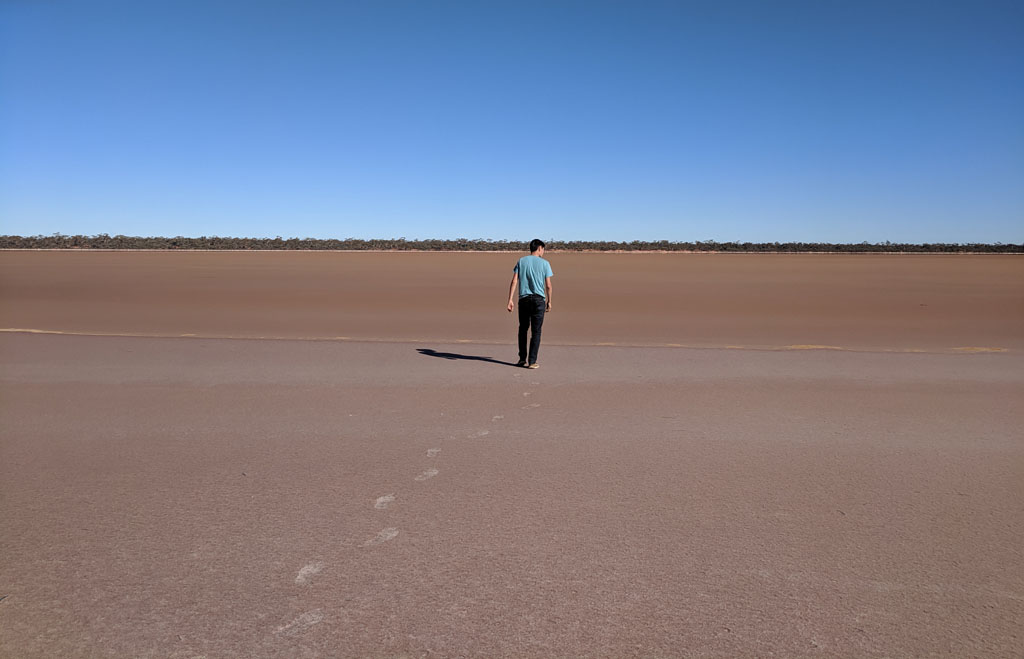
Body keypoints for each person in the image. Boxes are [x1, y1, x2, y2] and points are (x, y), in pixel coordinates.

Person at [506, 238, 553, 368]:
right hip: (539, 300)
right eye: (543, 249)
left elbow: (514, 281)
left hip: (524, 299)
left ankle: (522, 358)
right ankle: (532, 361)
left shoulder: (521, 261)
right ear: (539, 248)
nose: (543, 251)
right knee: (536, 331)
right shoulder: (545, 264)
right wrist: (549, 301)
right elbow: (548, 285)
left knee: (523, 329)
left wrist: (510, 299)